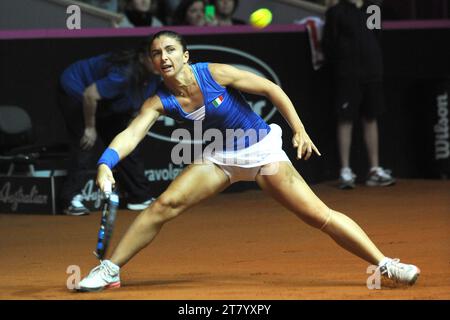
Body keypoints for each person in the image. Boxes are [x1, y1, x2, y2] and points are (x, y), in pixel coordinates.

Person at [76, 30, 419, 291]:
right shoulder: (158, 101)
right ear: (153, 63)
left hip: (262, 152)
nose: (163, 57)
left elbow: (272, 89)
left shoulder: (215, 73)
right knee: (164, 205)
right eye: (156, 53)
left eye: (169, 50)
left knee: (319, 217)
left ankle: (385, 266)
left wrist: (298, 130)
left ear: (185, 55)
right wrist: (106, 163)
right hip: (219, 157)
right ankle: (110, 269)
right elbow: (131, 135)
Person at [58, 41, 161, 215]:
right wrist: (90, 128)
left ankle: (139, 197)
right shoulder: (124, 74)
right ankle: (70, 199)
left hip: (108, 101)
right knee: (85, 142)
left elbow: (140, 104)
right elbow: (90, 95)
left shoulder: (155, 76)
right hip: (77, 91)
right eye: (154, 56)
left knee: (124, 144)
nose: (159, 60)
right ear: (143, 58)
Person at [322, 0, 395, 189]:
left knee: (371, 118)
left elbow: (376, 36)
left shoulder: (373, 9)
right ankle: (345, 171)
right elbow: (329, 44)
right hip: (347, 74)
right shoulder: (336, 12)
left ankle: (374, 170)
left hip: (372, 73)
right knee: (345, 119)